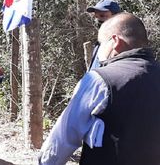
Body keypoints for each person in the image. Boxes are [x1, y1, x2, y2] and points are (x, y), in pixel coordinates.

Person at [39, 13, 160, 165]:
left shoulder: (99, 80)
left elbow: (63, 138)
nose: (99, 51)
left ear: (115, 41)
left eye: (101, 43)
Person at [85, 0, 121, 70]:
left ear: (116, 16)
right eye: (96, 16)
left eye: (102, 16)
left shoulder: (120, 42)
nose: (98, 20)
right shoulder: (101, 41)